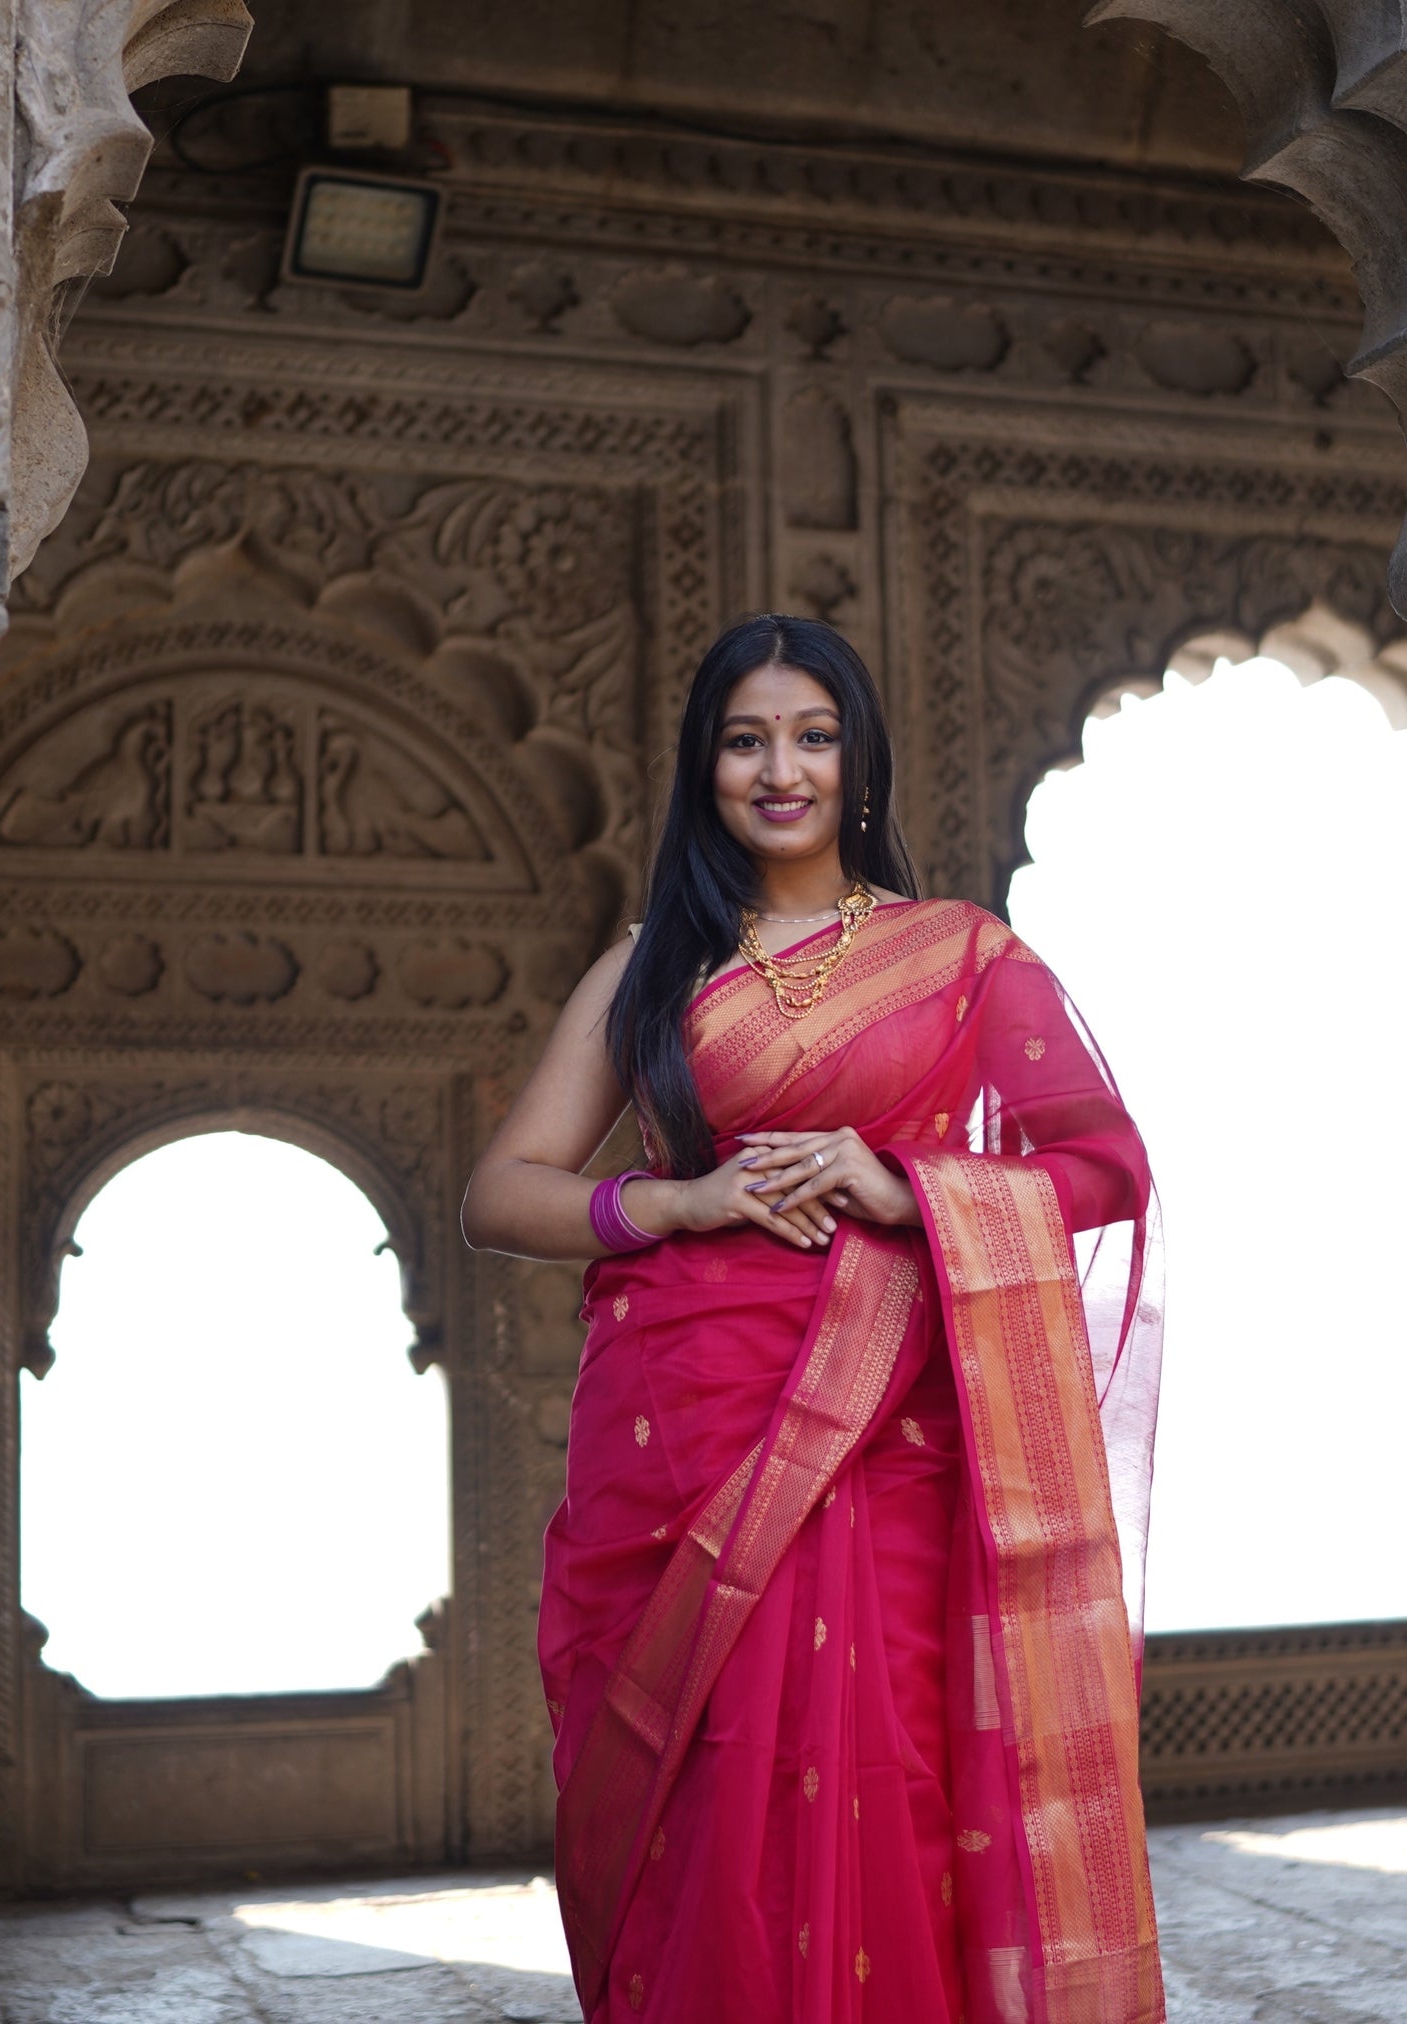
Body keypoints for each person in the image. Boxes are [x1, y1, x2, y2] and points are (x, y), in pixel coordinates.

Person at [463, 615, 1165, 2024]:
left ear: (855, 761)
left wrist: (899, 1180)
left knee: (890, 1783)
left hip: (888, 1437)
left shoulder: (959, 955)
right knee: (702, 1787)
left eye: (810, 734)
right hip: (687, 1439)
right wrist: (681, 1201)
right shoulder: (647, 969)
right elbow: (502, 1192)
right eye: (743, 739)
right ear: (701, 766)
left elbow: (1103, 1167)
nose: (776, 768)